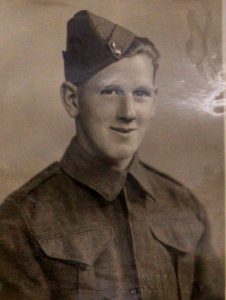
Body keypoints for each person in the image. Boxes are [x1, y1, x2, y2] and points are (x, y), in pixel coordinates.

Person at [0, 10, 223, 300]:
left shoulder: (184, 206)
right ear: (72, 99)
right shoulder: (21, 219)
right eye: (111, 91)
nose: (128, 112)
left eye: (141, 94)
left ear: (155, 101)